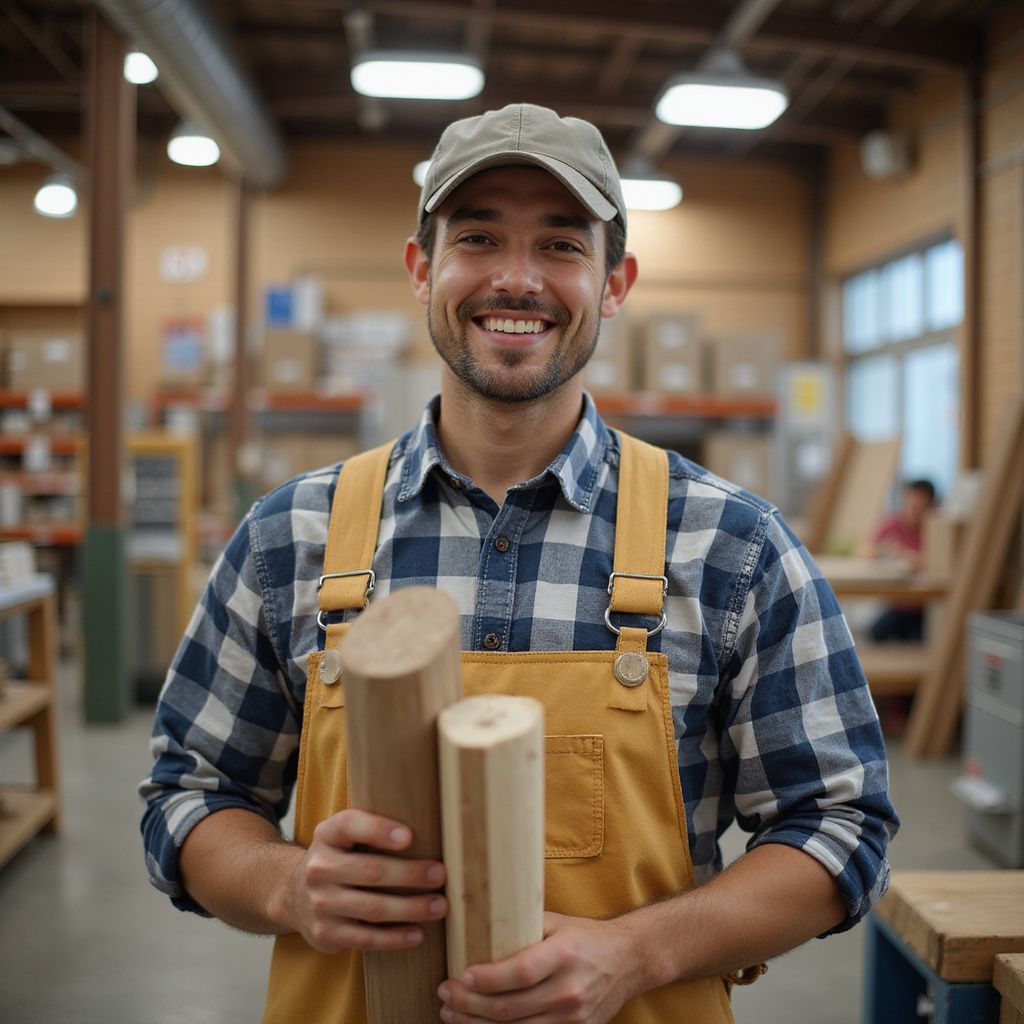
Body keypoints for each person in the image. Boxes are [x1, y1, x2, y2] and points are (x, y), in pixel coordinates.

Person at [140, 104, 899, 1023]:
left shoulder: (730, 545)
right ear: (422, 268)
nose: (515, 279)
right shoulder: (288, 537)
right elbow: (190, 796)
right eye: (478, 237)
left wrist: (634, 954)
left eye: (561, 246)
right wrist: (288, 885)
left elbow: (841, 825)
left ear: (615, 283)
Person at [862, 478, 937, 643]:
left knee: (918, 640)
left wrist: (906, 554)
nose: (912, 512)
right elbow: (866, 551)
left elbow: (935, 563)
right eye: (909, 506)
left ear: (930, 507)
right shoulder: (893, 524)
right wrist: (883, 551)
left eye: (918, 508)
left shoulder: (935, 529)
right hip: (898, 604)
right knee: (875, 632)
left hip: (924, 608)